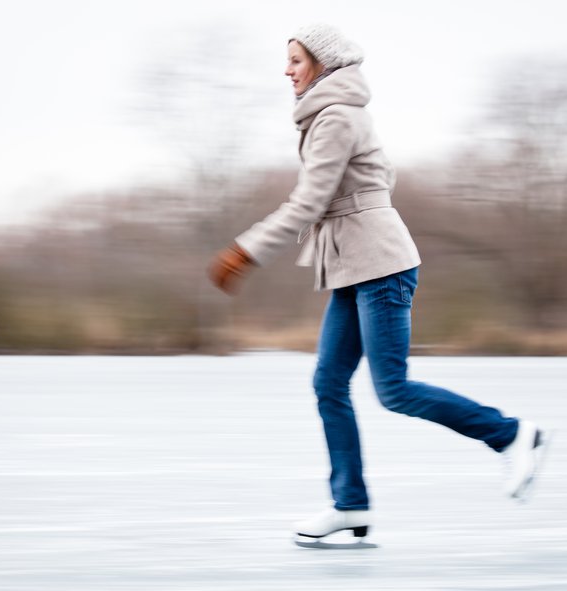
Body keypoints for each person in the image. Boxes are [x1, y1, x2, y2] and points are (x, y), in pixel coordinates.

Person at [208, 24, 547, 544]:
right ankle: (349, 504)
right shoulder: (335, 115)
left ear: (322, 64)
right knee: (328, 383)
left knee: (394, 390)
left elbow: (310, 201)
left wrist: (245, 250)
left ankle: (512, 435)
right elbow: (380, 179)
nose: (287, 70)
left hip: (380, 268)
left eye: (296, 60)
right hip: (356, 267)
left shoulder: (337, 117)